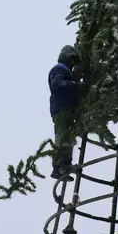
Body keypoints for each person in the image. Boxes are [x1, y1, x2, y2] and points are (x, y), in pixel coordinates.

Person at [48, 45, 81, 180]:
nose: (73, 63)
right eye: (72, 59)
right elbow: (57, 85)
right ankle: (61, 165)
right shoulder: (59, 69)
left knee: (67, 136)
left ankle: (61, 167)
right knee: (63, 135)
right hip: (62, 108)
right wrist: (75, 84)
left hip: (66, 107)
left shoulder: (66, 70)